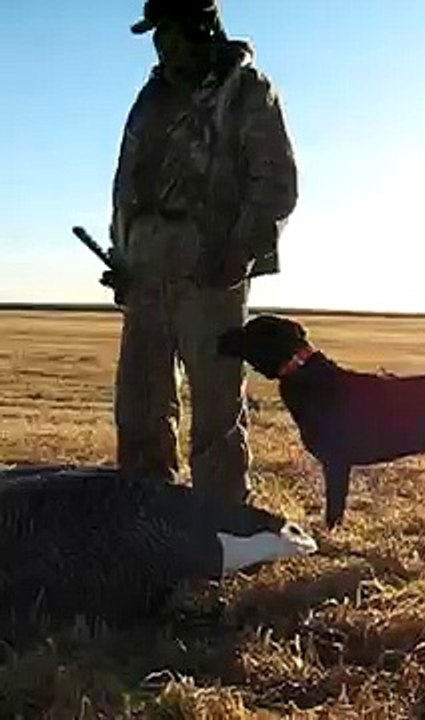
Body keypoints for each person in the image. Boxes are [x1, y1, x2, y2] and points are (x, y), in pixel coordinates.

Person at [102, 0, 298, 503]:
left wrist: (237, 253)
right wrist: (122, 257)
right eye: (157, 37)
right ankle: (147, 517)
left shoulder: (248, 91)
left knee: (216, 410)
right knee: (140, 405)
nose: (162, 47)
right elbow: (125, 184)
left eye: (170, 34)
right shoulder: (150, 98)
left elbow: (276, 184)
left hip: (209, 269)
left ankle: (224, 523)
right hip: (145, 267)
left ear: (204, 27)